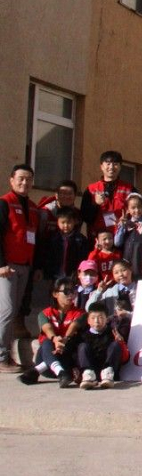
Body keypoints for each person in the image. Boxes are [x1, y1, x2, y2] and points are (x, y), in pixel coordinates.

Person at [0, 164, 43, 367]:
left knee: (13, 310)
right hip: (6, 267)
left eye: (29, 179)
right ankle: (1, 356)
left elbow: (34, 238)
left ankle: (6, 354)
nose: (25, 182)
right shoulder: (4, 203)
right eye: (21, 178)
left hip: (25, 266)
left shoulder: (33, 208)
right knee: (6, 311)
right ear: (11, 180)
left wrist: (35, 268)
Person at [19, 277, 84, 387]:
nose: (71, 295)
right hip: (48, 360)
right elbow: (47, 328)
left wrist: (64, 340)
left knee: (69, 344)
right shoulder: (45, 313)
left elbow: (74, 326)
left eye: (73, 291)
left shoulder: (81, 313)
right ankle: (60, 373)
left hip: (67, 361)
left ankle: (37, 371)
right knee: (47, 342)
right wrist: (55, 339)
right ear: (55, 294)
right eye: (66, 292)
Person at [73, 301, 127, 389]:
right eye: (93, 318)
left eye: (101, 317)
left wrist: (121, 342)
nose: (97, 321)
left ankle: (108, 374)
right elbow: (75, 356)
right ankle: (88, 376)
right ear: (88, 320)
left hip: (108, 372)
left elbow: (125, 358)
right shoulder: (82, 335)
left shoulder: (113, 333)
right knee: (82, 346)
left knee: (115, 345)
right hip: (90, 371)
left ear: (107, 319)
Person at [80, 151, 133, 238]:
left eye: (115, 164)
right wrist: (95, 204)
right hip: (97, 239)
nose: (111, 167)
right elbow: (85, 217)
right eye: (108, 164)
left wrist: (127, 221)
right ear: (101, 166)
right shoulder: (91, 189)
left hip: (121, 238)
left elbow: (138, 214)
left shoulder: (129, 189)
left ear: (120, 167)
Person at [36, 206, 89, 283]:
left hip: (71, 277)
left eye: (69, 222)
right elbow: (43, 255)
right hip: (52, 275)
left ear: (75, 222)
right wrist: (39, 268)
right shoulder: (51, 237)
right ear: (57, 222)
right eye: (63, 222)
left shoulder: (80, 240)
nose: (66, 225)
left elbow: (83, 259)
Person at [113, 193, 142, 278]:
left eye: (139, 207)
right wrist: (121, 226)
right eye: (133, 208)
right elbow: (117, 243)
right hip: (127, 260)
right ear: (127, 209)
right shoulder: (125, 224)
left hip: (141, 259)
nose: (136, 210)